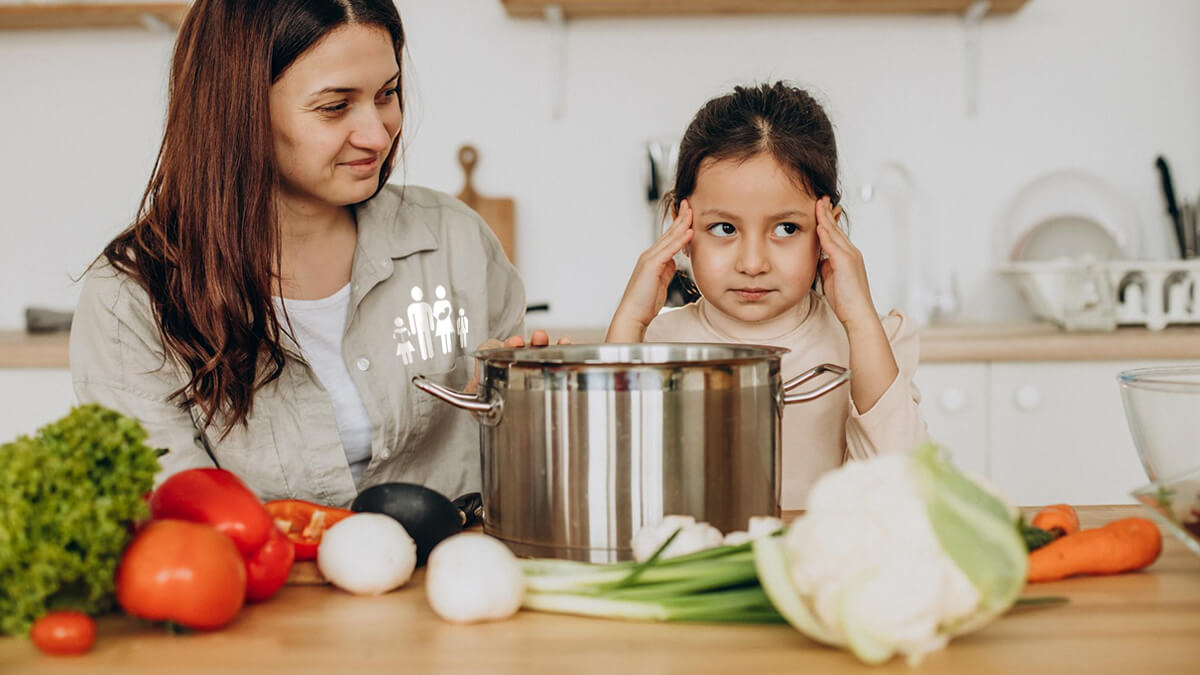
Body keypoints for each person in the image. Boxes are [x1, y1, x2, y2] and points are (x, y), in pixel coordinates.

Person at [69, 0, 556, 508]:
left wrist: (537, 405)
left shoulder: (456, 241)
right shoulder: (130, 300)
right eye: (334, 106)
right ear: (238, 109)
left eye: (386, 94)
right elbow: (180, 521)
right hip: (264, 590)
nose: (377, 134)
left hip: (458, 583)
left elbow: (526, 484)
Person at [606, 82, 928, 509]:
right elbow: (608, 478)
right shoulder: (649, 347)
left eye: (786, 229)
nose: (753, 263)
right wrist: (630, 318)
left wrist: (859, 320)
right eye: (724, 229)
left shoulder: (875, 342)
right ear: (681, 229)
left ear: (828, 228)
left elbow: (904, 488)